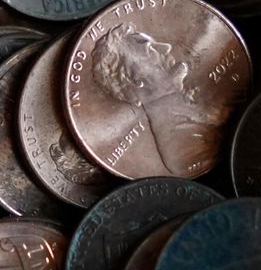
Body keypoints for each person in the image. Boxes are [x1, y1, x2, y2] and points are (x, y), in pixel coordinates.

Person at [91, 23, 228, 176]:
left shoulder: (201, 104)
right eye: (150, 49)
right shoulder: (181, 151)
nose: (165, 48)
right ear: (137, 81)